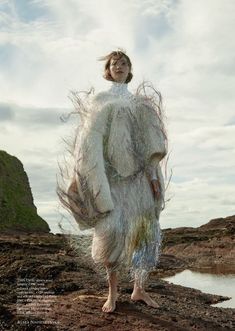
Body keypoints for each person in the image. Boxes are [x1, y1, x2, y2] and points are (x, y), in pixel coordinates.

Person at [58, 50, 167, 313]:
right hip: (112, 180)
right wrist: (82, 177)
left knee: (144, 234)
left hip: (139, 180)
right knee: (110, 232)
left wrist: (153, 176)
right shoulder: (100, 99)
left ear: (130, 69)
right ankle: (112, 292)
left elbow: (148, 144)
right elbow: (88, 142)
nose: (119, 66)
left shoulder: (140, 102)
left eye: (124, 63)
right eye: (114, 63)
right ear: (108, 70)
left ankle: (139, 290)